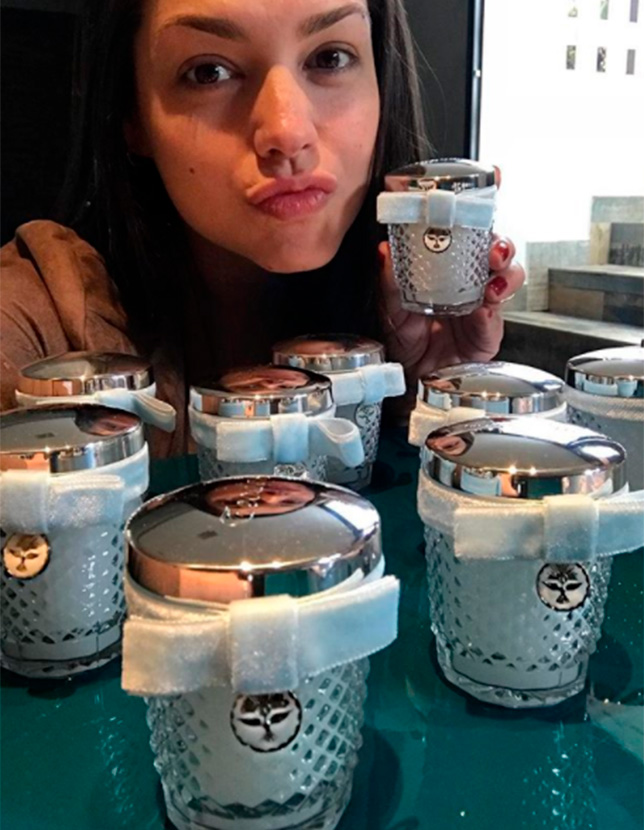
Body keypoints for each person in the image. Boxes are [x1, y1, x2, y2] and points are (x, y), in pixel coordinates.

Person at [0, 0, 524, 458]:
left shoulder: (401, 321)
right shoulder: (30, 321)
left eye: (330, 58)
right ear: (132, 114)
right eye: (208, 72)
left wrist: (428, 400)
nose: (287, 133)